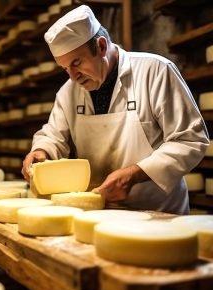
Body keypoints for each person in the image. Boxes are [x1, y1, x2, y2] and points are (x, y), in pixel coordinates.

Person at [21, 5, 209, 214]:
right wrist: (41, 151)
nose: (73, 76)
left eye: (77, 63)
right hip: (101, 214)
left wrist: (135, 174)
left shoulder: (154, 71)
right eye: (65, 68)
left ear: (101, 46)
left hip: (159, 215)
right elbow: (53, 135)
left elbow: (190, 139)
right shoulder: (68, 92)